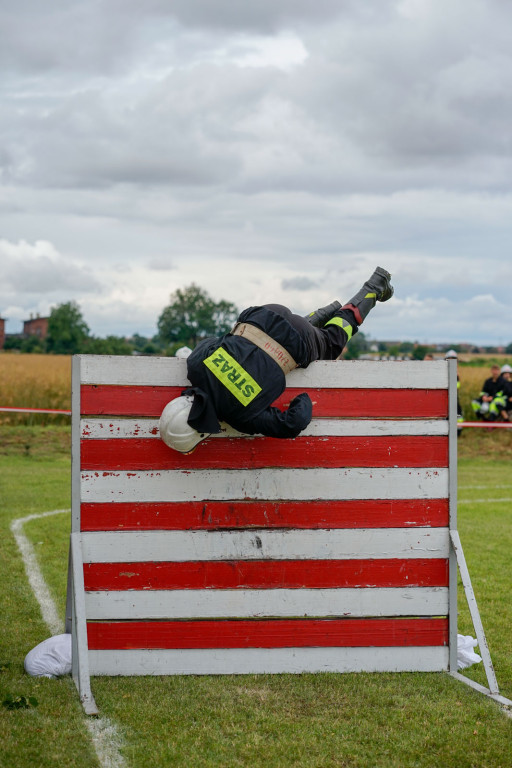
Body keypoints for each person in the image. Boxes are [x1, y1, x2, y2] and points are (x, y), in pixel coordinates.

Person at [159, 267, 394, 452]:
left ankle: (374, 287)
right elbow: (212, 341)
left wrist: (302, 399)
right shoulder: (195, 365)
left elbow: (292, 423)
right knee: (268, 339)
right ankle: (315, 318)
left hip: (299, 339)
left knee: (332, 342)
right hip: (262, 314)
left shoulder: (240, 418)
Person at [445, 349, 464, 434]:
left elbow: (457, 386)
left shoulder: (456, 374)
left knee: (458, 414)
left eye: (454, 359)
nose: (452, 361)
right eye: (450, 358)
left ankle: (458, 431)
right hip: (444, 398)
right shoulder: (443, 371)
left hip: (455, 398)